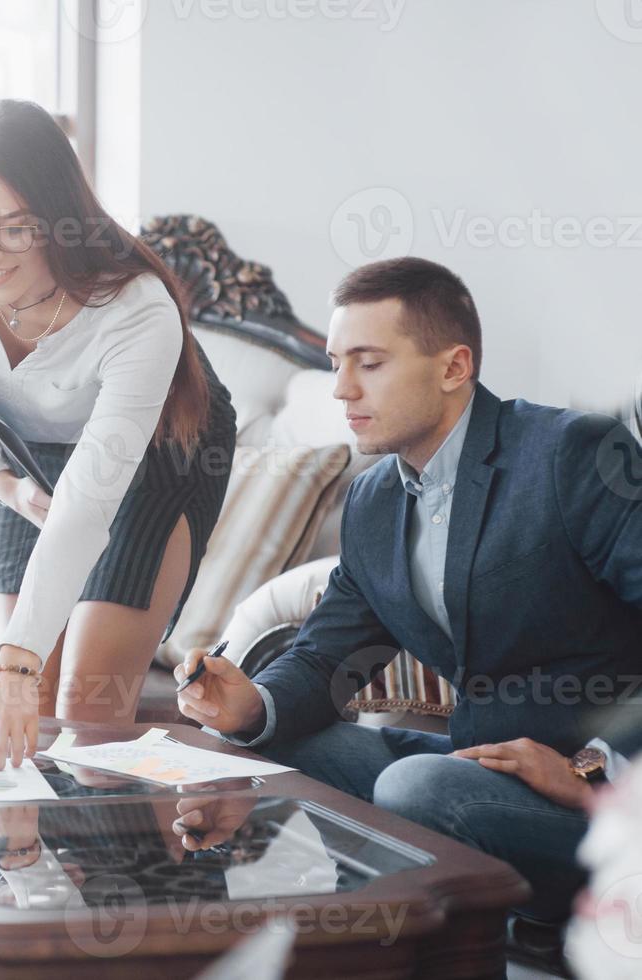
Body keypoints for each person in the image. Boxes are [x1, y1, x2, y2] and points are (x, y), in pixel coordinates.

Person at [176, 256, 642, 925]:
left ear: (453, 367)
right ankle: (368, 949)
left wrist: (597, 769)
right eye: (336, 363)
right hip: (475, 766)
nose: (341, 389)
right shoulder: (373, 501)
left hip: (595, 799)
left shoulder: (571, 456)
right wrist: (249, 704)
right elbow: (324, 661)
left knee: (413, 785)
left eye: (368, 363)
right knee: (274, 751)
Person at [0, 99, 237, 773]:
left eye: (14, 230)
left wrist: (12, 670)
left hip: (155, 448)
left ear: (60, 218)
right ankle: (28, 876)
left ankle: (137, 876)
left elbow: (87, 503)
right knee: (29, 718)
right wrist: (4, 483)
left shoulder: (134, 309)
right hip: (26, 452)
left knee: (85, 711)